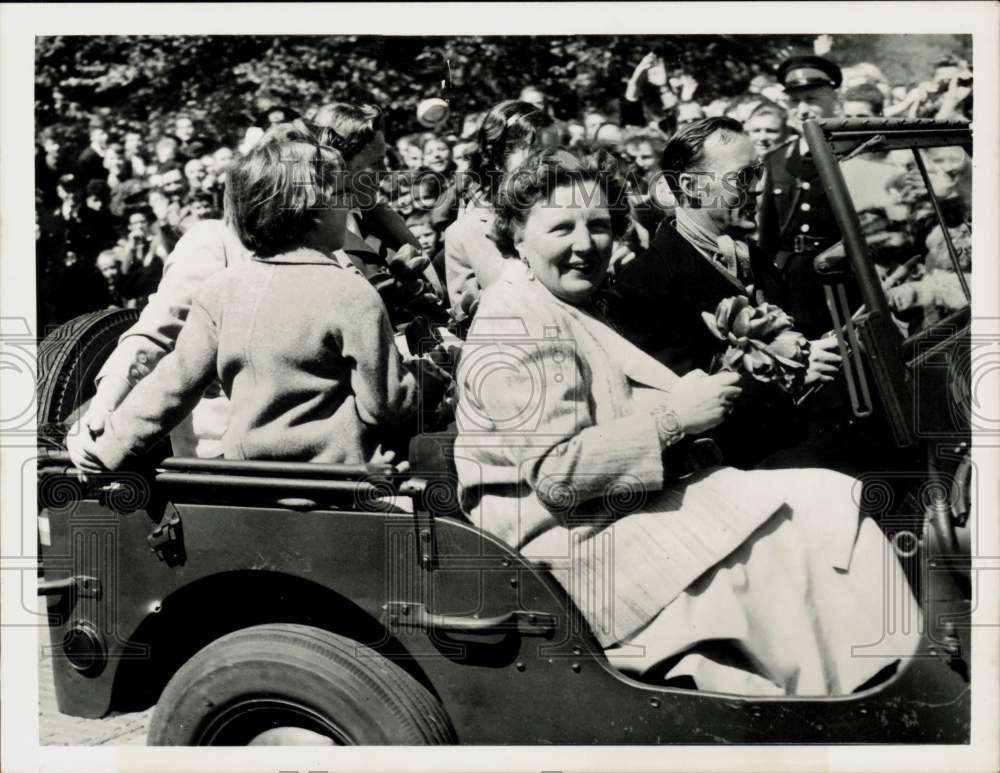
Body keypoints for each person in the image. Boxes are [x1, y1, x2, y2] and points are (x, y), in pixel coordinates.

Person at [455, 146, 919, 695]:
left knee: (831, 496)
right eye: (562, 228)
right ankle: (828, 699)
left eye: (598, 225)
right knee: (781, 542)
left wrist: (716, 380)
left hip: (611, 510)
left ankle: (881, 675)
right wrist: (673, 421)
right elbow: (557, 474)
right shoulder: (516, 319)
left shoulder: (560, 300)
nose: (585, 245)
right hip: (570, 542)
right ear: (517, 237)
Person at [69, 127, 443, 474]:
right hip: (338, 485)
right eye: (342, 195)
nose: (349, 210)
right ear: (309, 211)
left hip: (245, 481)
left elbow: (173, 384)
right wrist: (428, 380)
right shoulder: (350, 291)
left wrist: (109, 446)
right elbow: (388, 405)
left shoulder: (223, 289)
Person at [610, 118, 840, 468]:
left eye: (759, 173)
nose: (759, 188)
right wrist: (791, 376)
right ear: (691, 186)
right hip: (735, 466)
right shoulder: (643, 285)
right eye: (744, 177)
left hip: (798, 438)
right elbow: (685, 411)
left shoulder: (751, 257)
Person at [758, 54, 848, 339]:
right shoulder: (776, 160)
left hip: (843, 281)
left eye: (812, 99)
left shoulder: (852, 153)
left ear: (835, 98)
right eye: (795, 102)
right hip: (791, 285)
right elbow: (768, 235)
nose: (803, 109)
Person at [443, 99, 558, 315]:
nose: (547, 165)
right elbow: (468, 320)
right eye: (535, 154)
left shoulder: (579, 214)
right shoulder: (465, 234)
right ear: (497, 159)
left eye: (553, 153)